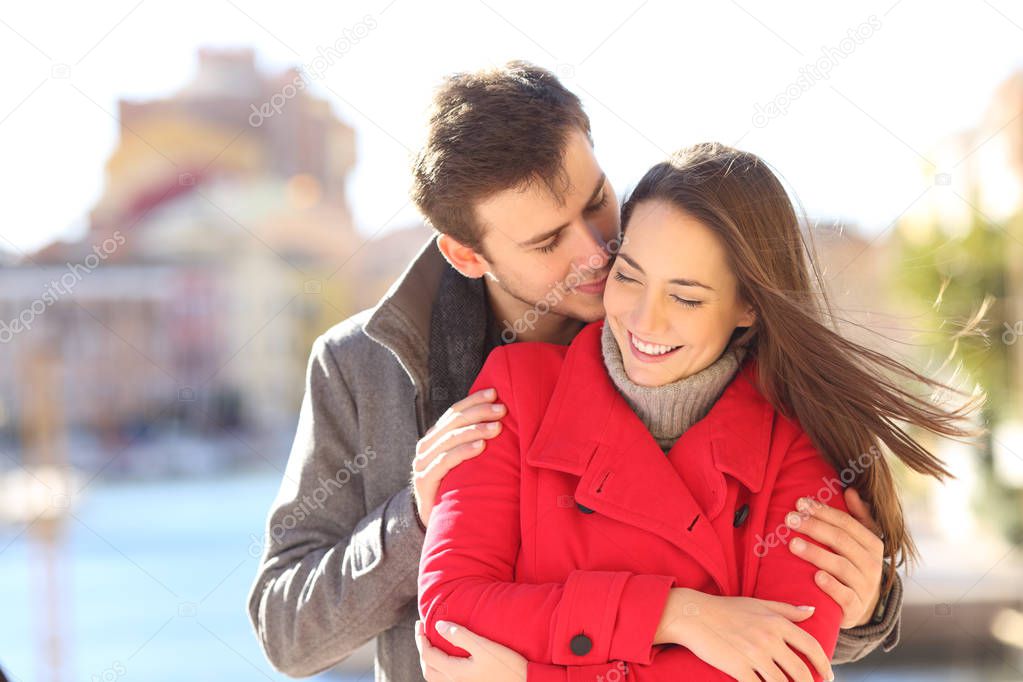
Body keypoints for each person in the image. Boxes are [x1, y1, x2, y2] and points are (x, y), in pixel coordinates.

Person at [247, 63, 904, 682]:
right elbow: (288, 632)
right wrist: (415, 522)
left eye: (595, 202)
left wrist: (869, 601)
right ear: (466, 254)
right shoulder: (363, 365)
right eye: (546, 242)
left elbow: (777, 643)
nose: (597, 253)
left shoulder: (703, 316)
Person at [416, 142, 977, 681]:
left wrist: (534, 676)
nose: (644, 320)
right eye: (628, 274)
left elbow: (785, 668)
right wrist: (676, 615)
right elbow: (450, 613)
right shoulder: (516, 389)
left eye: (685, 297)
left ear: (748, 307)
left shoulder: (800, 446)